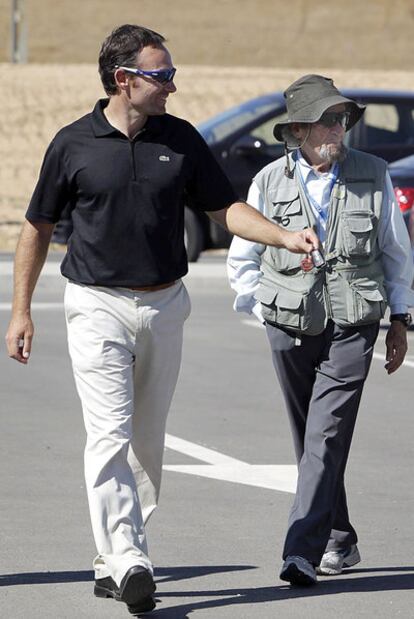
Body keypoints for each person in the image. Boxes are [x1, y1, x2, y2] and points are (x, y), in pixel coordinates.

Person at [5, 26, 319, 614]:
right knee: (108, 434)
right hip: (95, 304)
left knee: (146, 441)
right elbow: (37, 227)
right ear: (124, 80)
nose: (173, 85)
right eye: (162, 75)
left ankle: (113, 552)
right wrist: (21, 311)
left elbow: (223, 208)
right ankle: (130, 557)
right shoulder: (72, 144)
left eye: (171, 73)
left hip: (164, 304)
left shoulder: (180, 138)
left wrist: (282, 236)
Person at [227, 74, 414, 587]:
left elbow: (397, 253)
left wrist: (399, 318)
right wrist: (261, 309)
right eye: (330, 119)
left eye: (344, 118)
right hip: (288, 322)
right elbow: (243, 256)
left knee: (326, 434)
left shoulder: (373, 173)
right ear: (300, 130)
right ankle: (340, 538)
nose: (341, 127)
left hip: (354, 322)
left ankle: (300, 551)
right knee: (310, 440)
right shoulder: (267, 181)